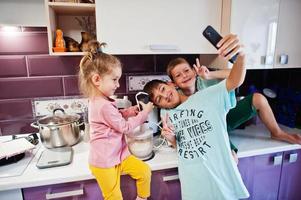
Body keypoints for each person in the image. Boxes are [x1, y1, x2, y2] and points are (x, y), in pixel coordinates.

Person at [143, 35, 249, 200]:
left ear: (171, 85)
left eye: (163, 89)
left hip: (222, 177)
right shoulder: (168, 116)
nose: (165, 96)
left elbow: (235, 80)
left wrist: (241, 56)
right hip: (194, 184)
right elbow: (183, 145)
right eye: (159, 98)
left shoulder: (207, 94)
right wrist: (171, 139)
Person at [166, 51, 301, 145]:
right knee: (229, 155)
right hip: (209, 132)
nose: (184, 75)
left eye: (186, 70)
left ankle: (277, 132)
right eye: (178, 75)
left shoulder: (204, 81)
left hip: (226, 119)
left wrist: (209, 75)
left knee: (258, 98)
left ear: (194, 71)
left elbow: (235, 73)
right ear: (173, 83)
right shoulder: (176, 98)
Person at [78, 40, 153, 200]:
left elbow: (112, 117)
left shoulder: (101, 100)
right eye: (114, 80)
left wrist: (128, 111)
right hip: (104, 161)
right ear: (97, 79)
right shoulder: (102, 105)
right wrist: (143, 114)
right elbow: (124, 128)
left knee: (144, 171)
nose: (118, 84)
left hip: (119, 155)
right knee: (114, 197)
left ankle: (142, 198)